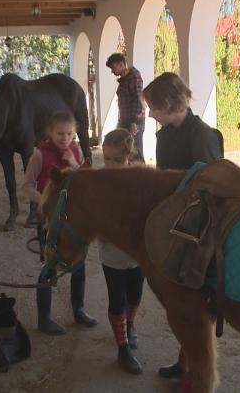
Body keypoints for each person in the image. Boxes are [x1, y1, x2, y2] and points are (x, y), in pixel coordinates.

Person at [142, 72, 223, 378]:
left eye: (154, 107)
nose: (150, 113)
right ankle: (186, 360)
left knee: (190, 298)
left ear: (169, 105)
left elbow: (213, 186)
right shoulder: (167, 133)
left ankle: (193, 365)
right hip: (175, 221)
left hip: (196, 228)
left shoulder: (202, 136)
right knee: (177, 299)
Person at [22, 111, 97, 335]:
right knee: (49, 266)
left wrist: (74, 163)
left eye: (69, 133)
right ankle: (44, 319)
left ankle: (79, 310)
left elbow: (83, 180)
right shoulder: (39, 154)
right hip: (50, 219)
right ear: (50, 132)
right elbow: (26, 185)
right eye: (59, 133)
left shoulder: (75, 150)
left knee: (79, 264)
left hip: (74, 218)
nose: (64, 138)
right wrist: (46, 202)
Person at [99, 128, 146, 374]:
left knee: (135, 294)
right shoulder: (100, 183)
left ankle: (130, 325)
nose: (110, 165)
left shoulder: (139, 181)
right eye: (107, 159)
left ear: (130, 156)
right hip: (112, 255)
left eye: (117, 160)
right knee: (116, 298)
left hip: (137, 254)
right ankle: (122, 348)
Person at [106, 53, 146, 162]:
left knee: (135, 152)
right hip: (125, 121)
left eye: (113, 67)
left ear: (121, 64)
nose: (112, 71)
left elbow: (138, 100)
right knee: (125, 151)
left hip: (134, 122)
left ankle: (142, 175)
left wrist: (134, 122)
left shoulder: (134, 77)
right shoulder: (125, 79)